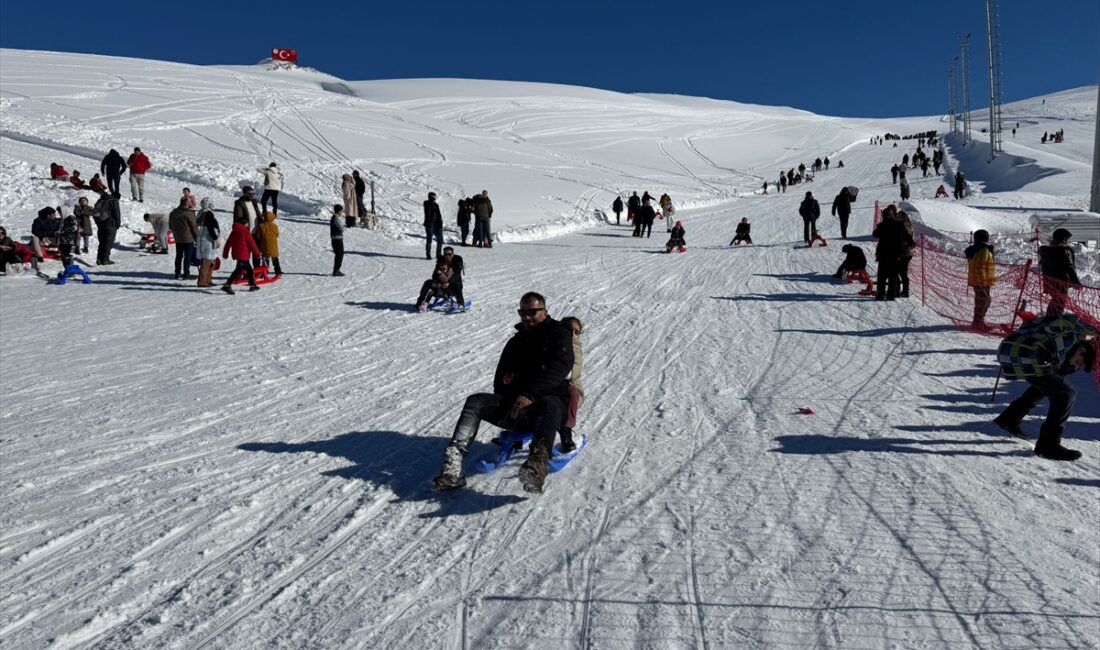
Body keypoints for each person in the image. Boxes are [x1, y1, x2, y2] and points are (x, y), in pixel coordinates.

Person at [432, 292, 574, 493]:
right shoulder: (515, 343)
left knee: (550, 402)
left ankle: (537, 464)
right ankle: (453, 465)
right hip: (518, 408)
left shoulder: (559, 334)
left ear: (544, 312)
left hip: (549, 409)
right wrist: (511, 397)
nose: (526, 317)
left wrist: (530, 395)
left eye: (531, 312)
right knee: (476, 401)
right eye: (522, 313)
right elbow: (502, 379)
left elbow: (561, 367)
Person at [993, 313, 1097, 460]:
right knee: (1065, 393)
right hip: (1024, 353)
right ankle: (1048, 445)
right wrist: (1089, 328)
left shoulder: (1069, 350)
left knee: (1051, 382)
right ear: (1082, 350)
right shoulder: (1070, 336)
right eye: (1079, 362)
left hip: (1013, 351)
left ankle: (1010, 418)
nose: (1076, 365)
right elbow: (1062, 320)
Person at [871, 205, 914, 301]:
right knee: (892, 275)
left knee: (882, 275)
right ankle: (891, 294)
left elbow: (875, 234)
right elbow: (907, 236)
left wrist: (881, 225)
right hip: (895, 254)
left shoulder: (883, 225)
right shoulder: (898, 225)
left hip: (883, 253)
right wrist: (912, 243)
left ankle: (880, 294)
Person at [1038, 228, 1080, 317]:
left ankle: (1050, 318)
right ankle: (1053, 321)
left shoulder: (1046, 251)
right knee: (1059, 302)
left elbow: (1044, 267)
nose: (1068, 241)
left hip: (1049, 282)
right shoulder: (1064, 251)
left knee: (1055, 301)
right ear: (1063, 239)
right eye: (1067, 239)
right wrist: (1076, 282)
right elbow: (1070, 268)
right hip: (1061, 282)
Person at [558, 316, 584, 453]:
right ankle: (517, 430)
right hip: (553, 384)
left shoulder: (576, 348)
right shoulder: (555, 343)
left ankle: (566, 430)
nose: (573, 335)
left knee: (572, 394)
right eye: (570, 330)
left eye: (577, 332)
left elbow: (574, 372)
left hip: (570, 386)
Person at [221, 214, 261, 294]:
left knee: (249, 269)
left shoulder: (234, 231)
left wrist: (225, 253)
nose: (248, 224)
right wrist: (257, 253)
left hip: (238, 254)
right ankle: (227, 285)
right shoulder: (245, 231)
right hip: (243, 254)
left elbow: (228, 243)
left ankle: (252, 285)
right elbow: (251, 243)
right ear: (244, 223)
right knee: (238, 270)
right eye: (247, 223)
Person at [965, 229, 996, 329]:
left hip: (978, 280)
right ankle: (977, 323)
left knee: (983, 301)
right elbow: (980, 266)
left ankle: (979, 322)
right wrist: (982, 282)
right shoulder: (983, 250)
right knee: (983, 301)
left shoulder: (975, 249)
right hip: (982, 281)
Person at [168, 197, 199, 280]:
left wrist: (176, 233)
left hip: (178, 238)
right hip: (188, 238)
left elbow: (170, 226)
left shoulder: (173, 213)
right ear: (186, 203)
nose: (191, 203)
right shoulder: (189, 213)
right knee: (187, 256)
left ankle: (177, 273)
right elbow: (194, 227)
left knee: (179, 255)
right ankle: (186, 273)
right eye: (190, 202)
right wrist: (197, 238)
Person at [195, 198, 220, 288]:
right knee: (207, 261)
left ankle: (208, 280)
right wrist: (216, 238)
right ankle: (202, 281)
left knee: (211, 261)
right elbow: (210, 227)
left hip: (204, 239)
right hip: (207, 239)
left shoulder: (201, 213)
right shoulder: (207, 213)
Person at [93, 191, 121, 265]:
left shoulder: (100, 200)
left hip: (100, 223)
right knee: (108, 242)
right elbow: (116, 213)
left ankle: (99, 259)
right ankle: (105, 259)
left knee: (102, 242)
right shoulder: (114, 201)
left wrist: (98, 223)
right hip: (110, 223)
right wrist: (117, 224)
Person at [254, 211, 282, 276]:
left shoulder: (261, 226)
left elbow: (258, 236)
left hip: (264, 246)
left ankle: (265, 272)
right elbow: (277, 234)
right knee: (275, 259)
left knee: (266, 260)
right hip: (274, 246)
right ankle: (278, 272)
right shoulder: (275, 226)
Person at [895, 210, 915, 297]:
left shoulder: (903, 226)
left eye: (898, 217)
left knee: (897, 272)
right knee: (902, 273)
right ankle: (904, 291)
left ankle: (899, 290)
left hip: (902, 253)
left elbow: (906, 239)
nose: (896, 218)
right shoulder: (907, 225)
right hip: (906, 253)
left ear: (903, 218)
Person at [423, 192, 444, 260]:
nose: (434, 199)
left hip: (437, 224)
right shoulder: (426, 203)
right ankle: (428, 254)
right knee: (429, 239)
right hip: (430, 224)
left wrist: (440, 222)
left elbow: (439, 214)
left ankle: (438, 254)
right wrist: (431, 202)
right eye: (432, 197)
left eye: (434, 197)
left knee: (440, 239)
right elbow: (427, 210)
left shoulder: (436, 205)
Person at [330, 205, 345, 276]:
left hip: (335, 238)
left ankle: (336, 270)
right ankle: (336, 270)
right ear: (339, 211)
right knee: (340, 254)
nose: (342, 212)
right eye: (341, 211)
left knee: (338, 254)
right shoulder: (335, 219)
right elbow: (341, 228)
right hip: (337, 238)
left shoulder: (334, 218)